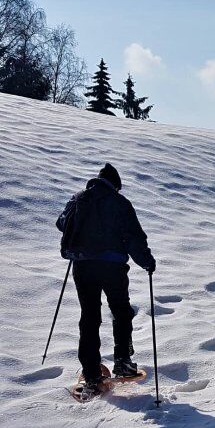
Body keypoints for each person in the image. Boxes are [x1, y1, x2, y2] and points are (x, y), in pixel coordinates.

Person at [56, 163, 156, 394]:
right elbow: (134, 237)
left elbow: (61, 223)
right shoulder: (120, 202)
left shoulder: (77, 199)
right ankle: (123, 362)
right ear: (115, 185)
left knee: (89, 316)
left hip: (83, 265)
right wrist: (147, 261)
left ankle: (91, 373)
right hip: (113, 267)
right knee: (121, 312)